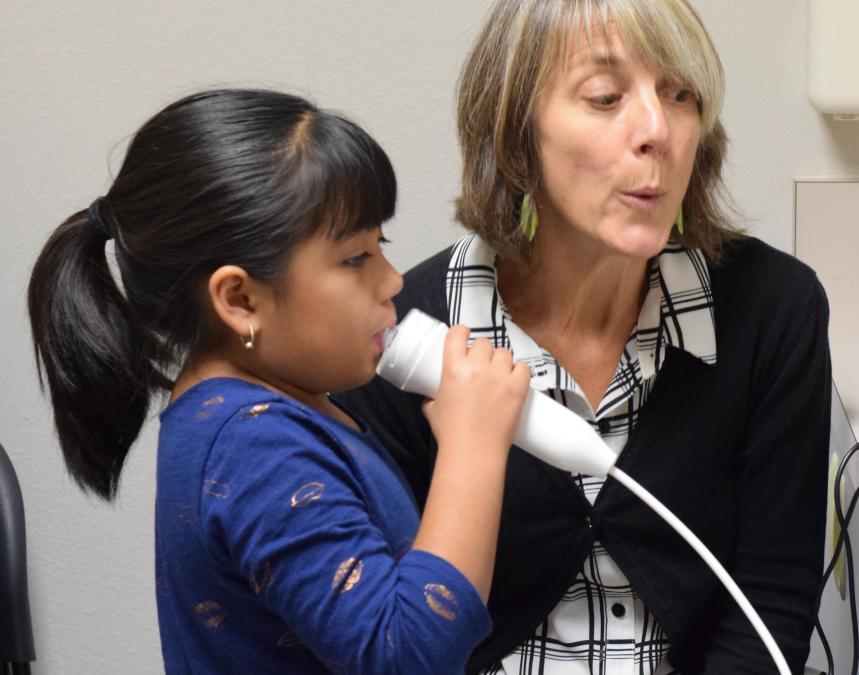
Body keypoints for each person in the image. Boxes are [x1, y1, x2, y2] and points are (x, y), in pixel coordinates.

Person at [338, 1, 832, 673]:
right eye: (605, 97)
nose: (657, 130)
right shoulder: (402, 342)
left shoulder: (773, 311)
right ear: (517, 136)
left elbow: (770, 605)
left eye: (680, 94)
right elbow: (394, 634)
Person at [27, 88, 531, 674]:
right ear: (240, 299)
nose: (393, 280)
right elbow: (404, 656)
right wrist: (472, 448)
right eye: (354, 259)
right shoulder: (253, 446)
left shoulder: (268, 412)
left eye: (380, 246)